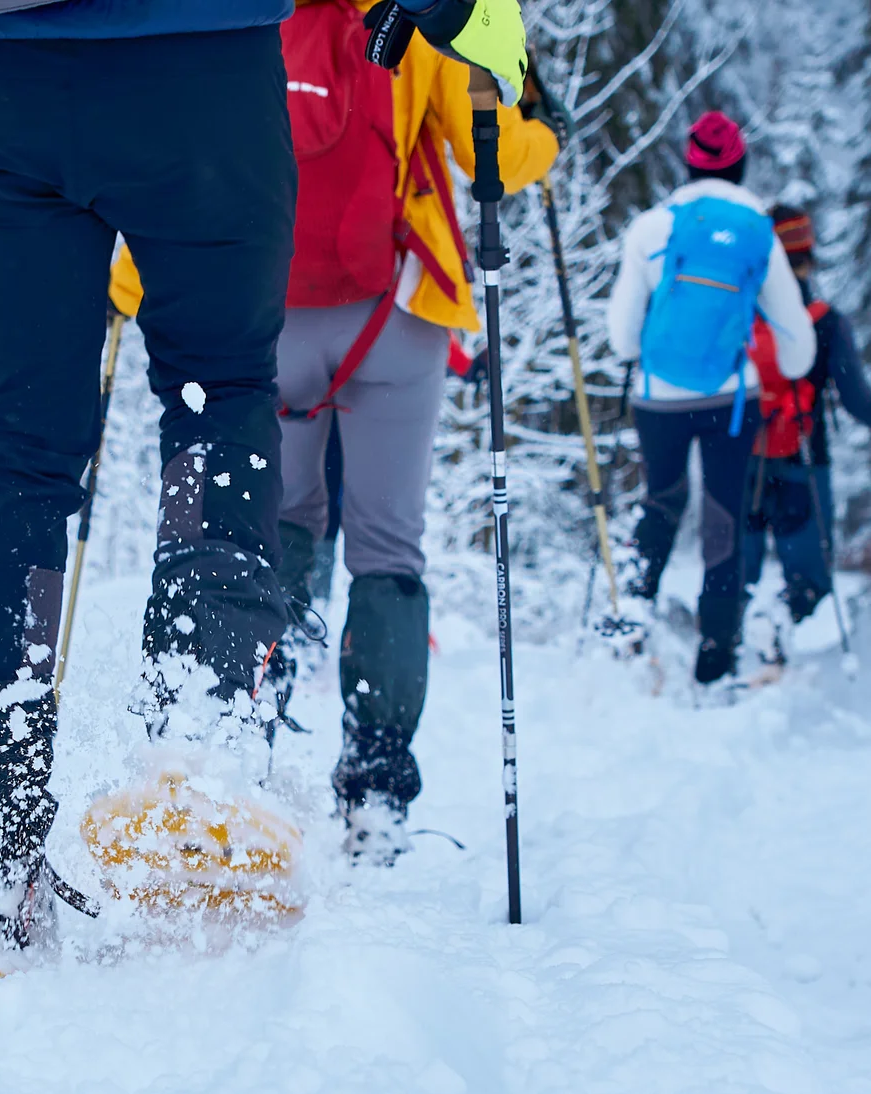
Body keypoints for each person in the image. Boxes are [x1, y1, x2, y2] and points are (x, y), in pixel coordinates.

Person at [0, 0, 536, 944]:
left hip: (0, 89)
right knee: (216, 395)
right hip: (204, 79)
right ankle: (191, 748)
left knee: (16, 450)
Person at [109, 0, 557, 863]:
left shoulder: (245, 17)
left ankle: (248, 760)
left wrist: (131, 281)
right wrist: (545, 127)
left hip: (263, 315)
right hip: (392, 318)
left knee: (279, 529)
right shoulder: (426, 16)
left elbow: (181, 150)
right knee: (389, 551)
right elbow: (487, 149)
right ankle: (377, 794)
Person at [604, 111, 817, 684]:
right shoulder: (756, 231)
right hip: (731, 400)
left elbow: (622, 336)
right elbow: (796, 341)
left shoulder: (651, 229)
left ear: (687, 161)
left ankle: (632, 629)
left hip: (658, 397)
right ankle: (715, 657)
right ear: (741, 165)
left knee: (662, 501)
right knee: (724, 515)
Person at [740, 206, 871, 629]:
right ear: (807, 257)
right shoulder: (826, 323)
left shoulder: (736, 318)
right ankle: (804, 672)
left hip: (740, 460)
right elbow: (857, 403)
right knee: (809, 582)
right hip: (805, 461)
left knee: (737, 579)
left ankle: (735, 664)